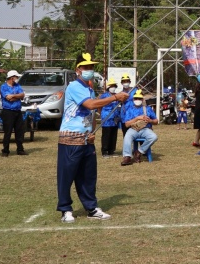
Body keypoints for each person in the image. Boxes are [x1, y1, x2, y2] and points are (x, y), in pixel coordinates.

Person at [57, 53, 129, 223]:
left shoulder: (89, 89)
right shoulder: (74, 86)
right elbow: (90, 105)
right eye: (86, 67)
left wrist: (92, 131)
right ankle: (65, 209)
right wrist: (115, 97)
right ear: (78, 70)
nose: (89, 70)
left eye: (91, 67)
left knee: (88, 176)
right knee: (67, 176)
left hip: (86, 139)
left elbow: (91, 113)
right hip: (71, 139)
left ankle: (91, 208)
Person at [120, 89, 159, 165]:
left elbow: (156, 121)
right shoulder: (129, 110)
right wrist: (137, 118)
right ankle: (127, 156)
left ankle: (139, 151)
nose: (137, 100)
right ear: (133, 99)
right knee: (127, 137)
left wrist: (150, 121)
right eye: (136, 98)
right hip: (133, 129)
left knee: (154, 137)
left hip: (145, 129)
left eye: (139, 98)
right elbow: (126, 124)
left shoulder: (147, 109)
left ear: (142, 99)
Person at [0, 70, 27, 157]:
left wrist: (14, 96)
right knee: (8, 132)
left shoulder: (17, 86)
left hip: (17, 111)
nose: (17, 78)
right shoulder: (3, 87)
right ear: (12, 78)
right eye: (16, 77)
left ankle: (20, 149)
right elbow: (9, 98)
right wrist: (17, 96)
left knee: (19, 131)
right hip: (8, 111)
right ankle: (5, 150)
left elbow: (22, 95)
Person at [98, 78, 122, 158]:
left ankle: (112, 151)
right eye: (111, 86)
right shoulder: (104, 96)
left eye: (114, 86)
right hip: (106, 118)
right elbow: (99, 105)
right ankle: (105, 151)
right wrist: (101, 114)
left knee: (113, 135)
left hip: (115, 118)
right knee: (106, 135)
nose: (113, 87)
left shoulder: (117, 96)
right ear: (108, 87)